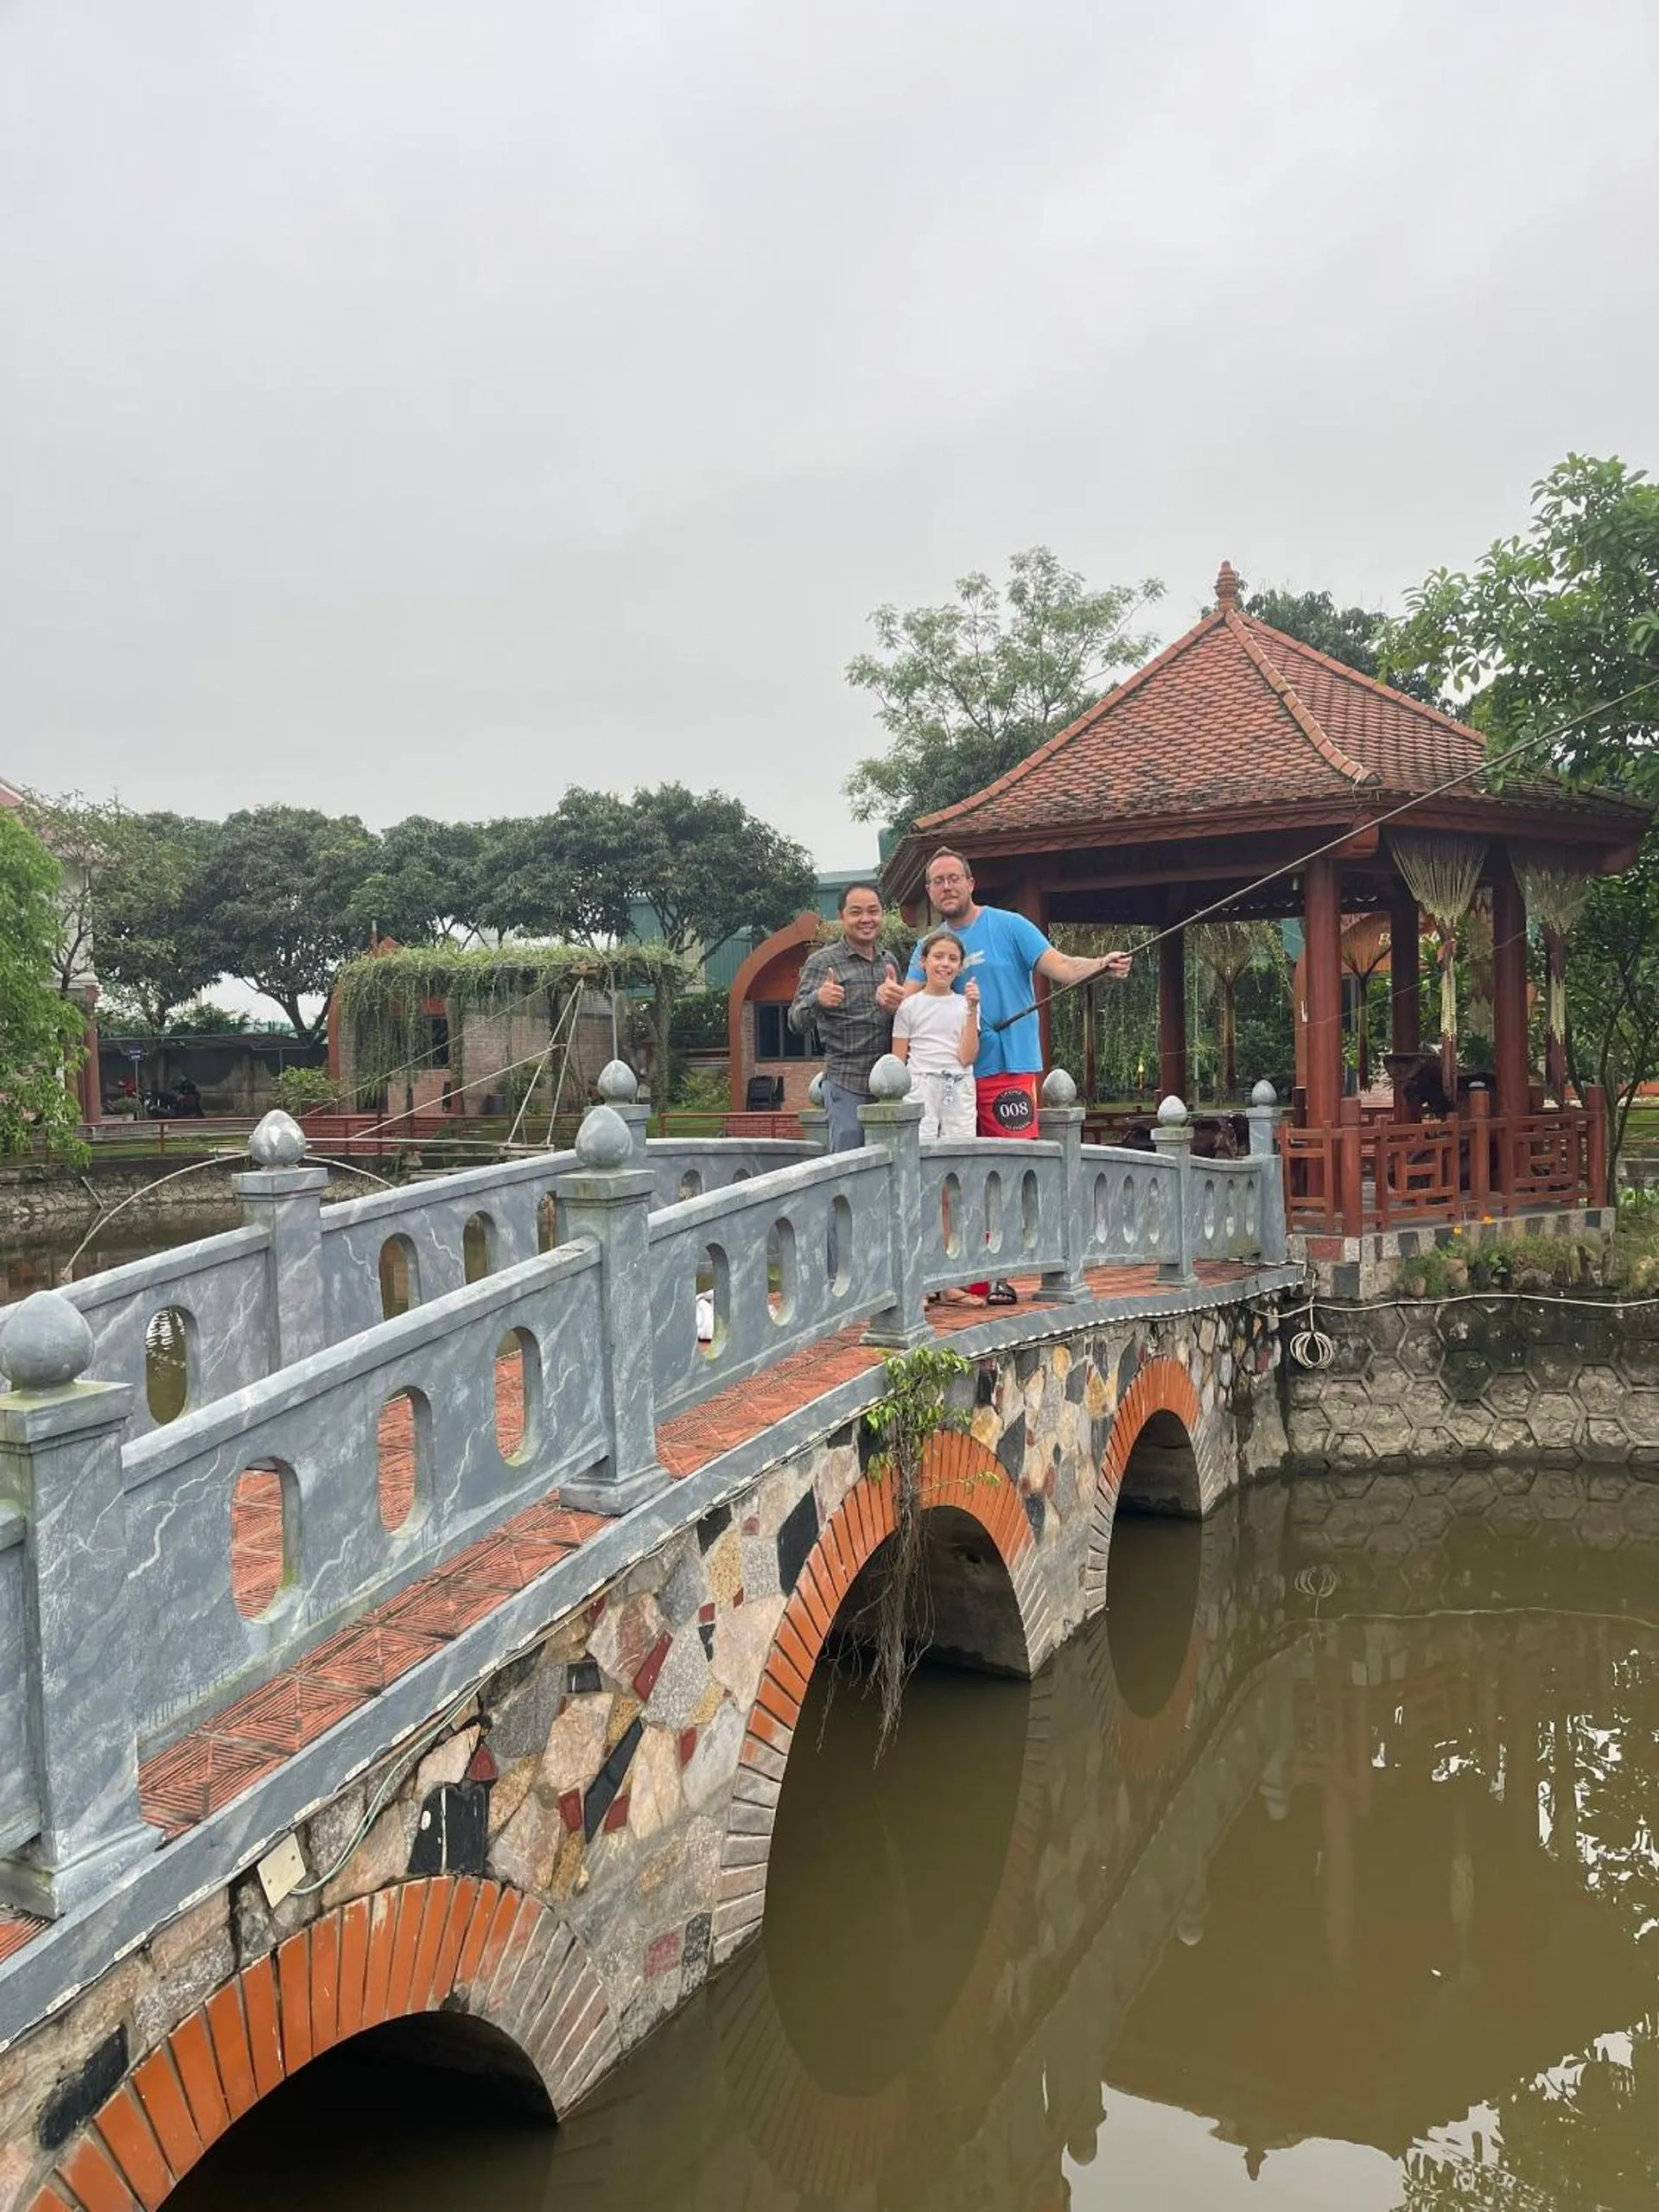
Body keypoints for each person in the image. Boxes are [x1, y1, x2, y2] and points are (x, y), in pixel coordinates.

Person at [905, 848, 1130, 1299]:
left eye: (954, 878)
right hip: (949, 1077)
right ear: (929, 891)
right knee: (950, 1174)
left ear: (971, 883)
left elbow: (1062, 966)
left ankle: (999, 1267)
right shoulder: (930, 947)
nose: (946, 887)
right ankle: (953, 1272)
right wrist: (887, 995)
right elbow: (909, 1000)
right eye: (937, 882)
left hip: (1006, 1068)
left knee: (1007, 1170)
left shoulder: (1009, 926)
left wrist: (1100, 966)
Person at [788, 880, 906, 1151]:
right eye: (856, 912)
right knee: (848, 1168)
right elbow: (794, 1021)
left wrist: (895, 1007)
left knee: (891, 1163)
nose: (866, 919)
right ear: (841, 917)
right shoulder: (822, 962)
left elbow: (902, 1023)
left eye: (873, 911)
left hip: (888, 1087)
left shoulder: (890, 962)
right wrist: (818, 999)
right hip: (846, 1082)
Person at [892, 930, 979, 1140]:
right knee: (918, 1147)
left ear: (959, 967)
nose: (945, 964)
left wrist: (972, 1009)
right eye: (938, 957)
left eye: (953, 959)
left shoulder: (965, 1004)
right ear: (923, 962)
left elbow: (967, 1058)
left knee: (961, 1151)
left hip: (959, 1083)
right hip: (919, 1085)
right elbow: (897, 1062)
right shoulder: (908, 1006)